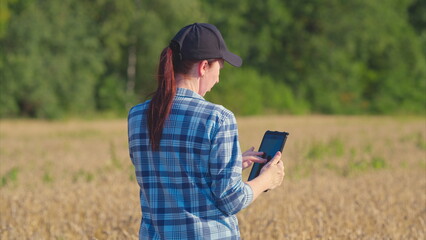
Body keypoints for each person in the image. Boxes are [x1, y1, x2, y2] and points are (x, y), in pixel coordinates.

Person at [128, 23, 285, 240]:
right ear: (203, 67)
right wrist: (267, 180)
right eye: (219, 68)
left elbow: (166, 172)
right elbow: (231, 200)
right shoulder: (218, 118)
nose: (218, 79)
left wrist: (231, 165)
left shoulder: (137, 116)